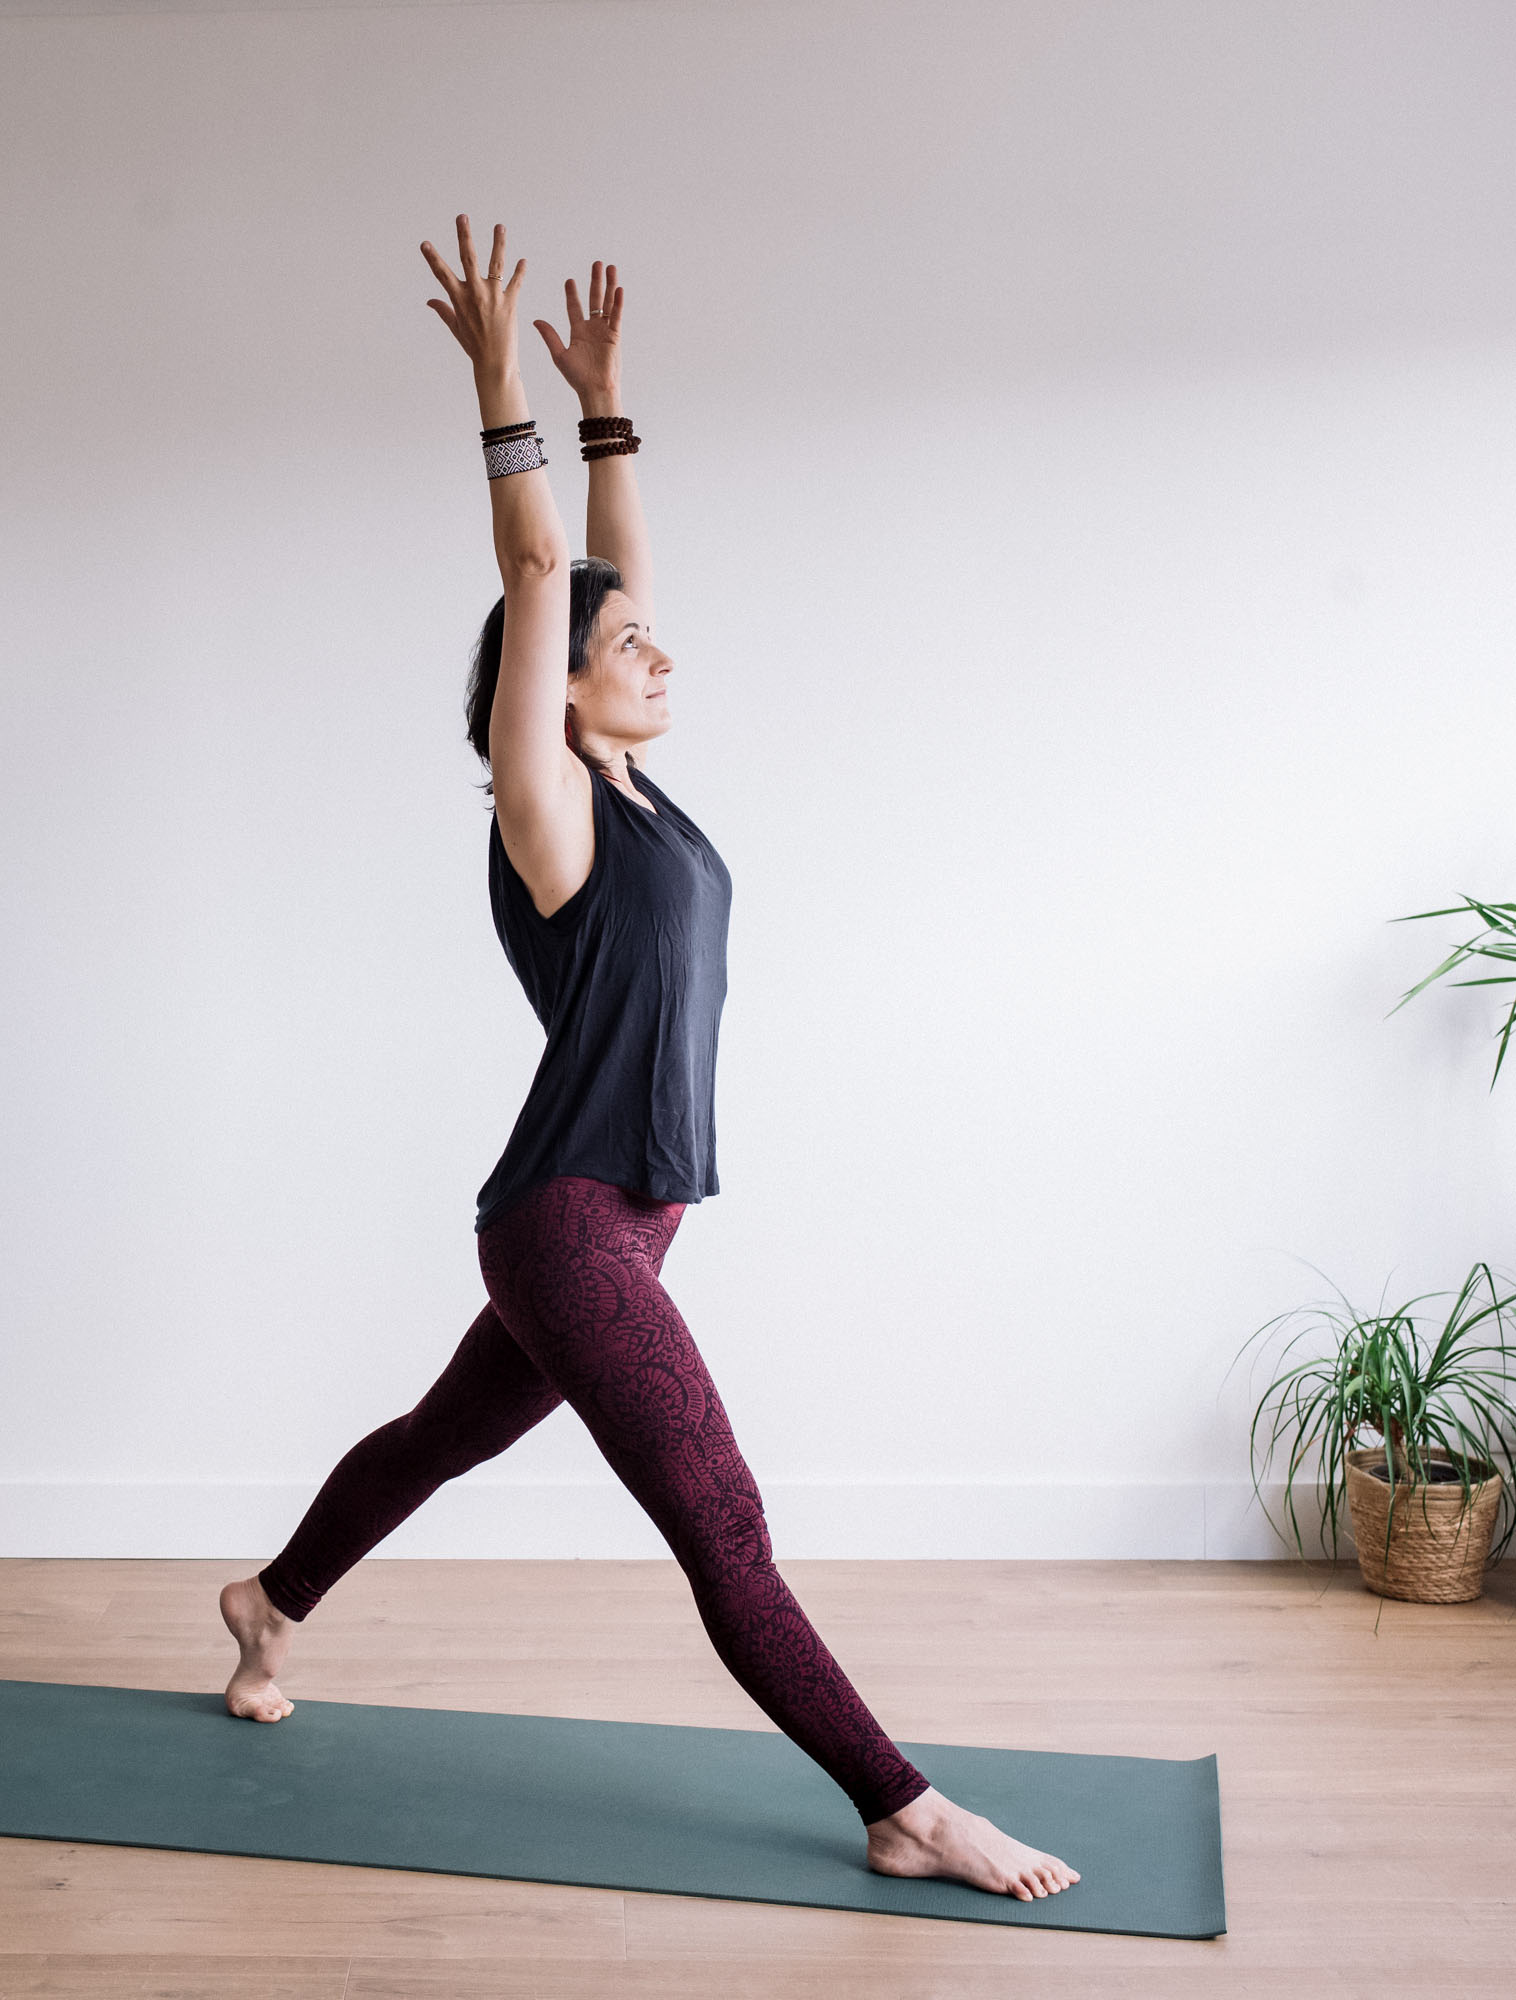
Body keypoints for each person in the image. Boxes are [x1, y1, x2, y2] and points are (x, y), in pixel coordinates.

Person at [218, 214, 1079, 1903]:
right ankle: (901, 1805)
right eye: (630, 657)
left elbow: (610, 584)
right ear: (549, 696)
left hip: (631, 1218)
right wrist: (496, 391)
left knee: (435, 1436)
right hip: (567, 1218)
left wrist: (609, 411)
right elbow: (551, 582)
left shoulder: (640, 793)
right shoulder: (545, 810)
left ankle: (271, 1601)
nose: (661, 656)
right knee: (725, 1523)